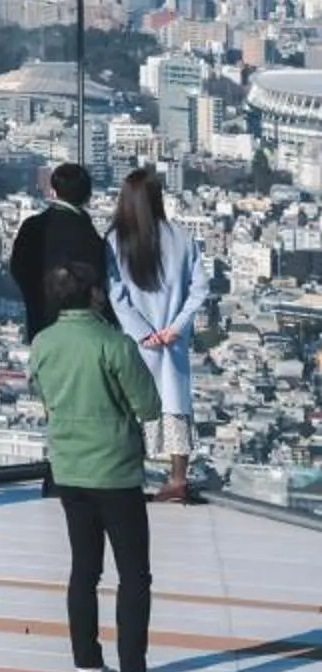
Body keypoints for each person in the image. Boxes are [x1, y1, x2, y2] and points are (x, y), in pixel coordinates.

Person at [31, 255, 177, 672]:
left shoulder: (42, 343)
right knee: (133, 575)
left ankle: (88, 666)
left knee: (84, 570)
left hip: (69, 469)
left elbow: (44, 396)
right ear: (94, 294)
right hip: (114, 471)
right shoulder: (114, 344)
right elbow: (149, 406)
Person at [108, 168, 206, 504]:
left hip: (136, 342)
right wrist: (173, 329)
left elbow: (115, 295)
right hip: (172, 341)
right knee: (176, 405)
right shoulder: (182, 237)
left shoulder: (116, 240)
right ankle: (178, 477)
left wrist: (142, 332)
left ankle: (129, 476)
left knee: (131, 406)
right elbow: (199, 290)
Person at [9, 163, 100, 337]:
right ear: (88, 195)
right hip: (79, 328)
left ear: (54, 190)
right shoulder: (83, 230)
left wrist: (36, 298)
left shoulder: (31, 226)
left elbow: (17, 269)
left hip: (40, 322)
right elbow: (97, 275)